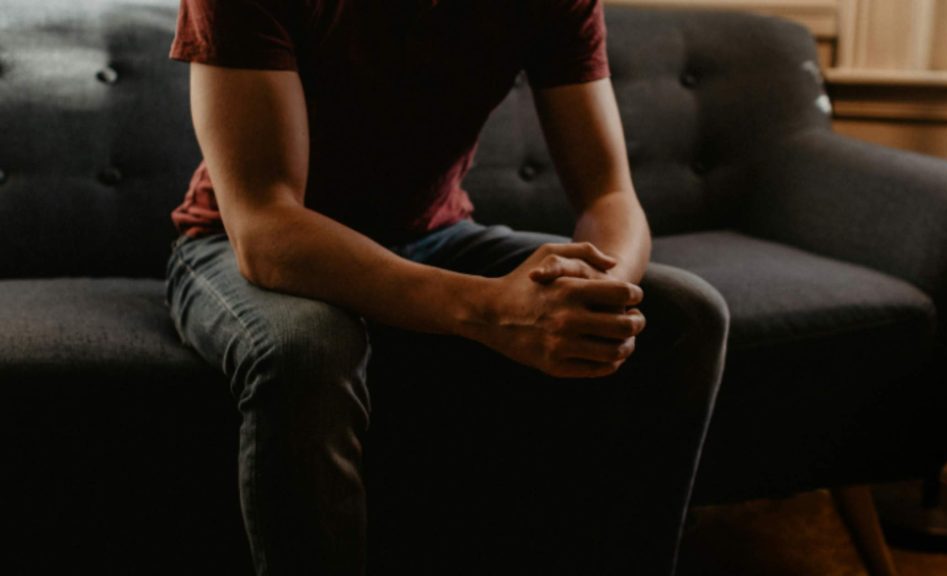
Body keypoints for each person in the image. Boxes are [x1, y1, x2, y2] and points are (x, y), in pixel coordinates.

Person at [165, 1, 720, 574]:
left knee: (685, 314)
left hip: (435, 236)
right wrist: (489, 310)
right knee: (308, 349)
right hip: (234, 243)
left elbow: (609, 195)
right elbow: (263, 227)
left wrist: (593, 298)